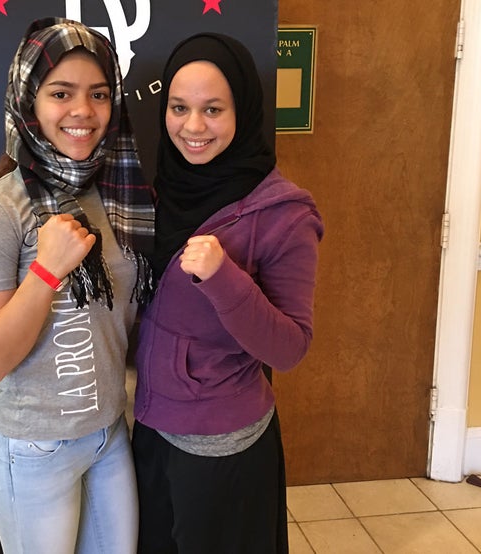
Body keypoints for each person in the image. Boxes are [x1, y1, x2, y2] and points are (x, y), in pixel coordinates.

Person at [0, 17, 154, 554]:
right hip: (31, 446)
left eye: (99, 94)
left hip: (107, 433)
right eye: (61, 93)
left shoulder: (117, 195)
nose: (83, 111)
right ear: (28, 101)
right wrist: (45, 272)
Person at [131, 32, 324, 554]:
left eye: (213, 109)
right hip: (150, 426)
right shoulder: (161, 190)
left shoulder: (284, 215)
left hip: (221, 444)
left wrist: (223, 278)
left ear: (243, 110)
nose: (192, 127)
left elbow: (289, 348)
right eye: (179, 107)